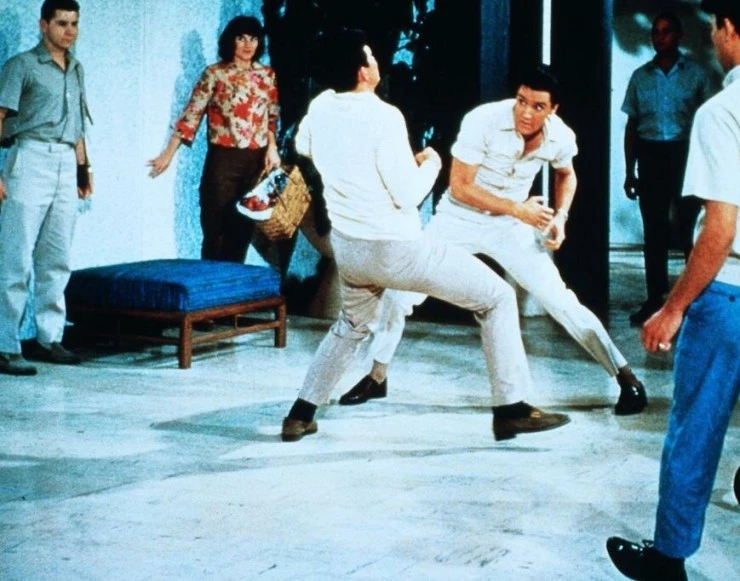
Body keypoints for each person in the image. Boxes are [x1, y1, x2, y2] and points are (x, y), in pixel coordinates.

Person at [281, 29, 570, 443]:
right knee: (497, 298)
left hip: (350, 250)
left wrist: (351, 164)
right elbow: (408, 194)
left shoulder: (322, 105)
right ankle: (511, 409)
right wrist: (431, 163)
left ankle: (300, 413)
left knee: (352, 324)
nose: (376, 62)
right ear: (363, 71)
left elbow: (305, 144)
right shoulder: (384, 116)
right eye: (371, 57)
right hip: (396, 251)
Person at [338, 66, 648, 416]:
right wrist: (518, 209)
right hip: (459, 219)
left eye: (538, 106)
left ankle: (626, 378)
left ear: (553, 109)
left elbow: (566, 174)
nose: (526, 112)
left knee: (560, 300)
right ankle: (376, 375)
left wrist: (560, 217)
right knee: (399, 293)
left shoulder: (560, 136)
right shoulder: (482, 121)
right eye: (521, 101)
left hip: (511, 226)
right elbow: (461, 187)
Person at [607, 2, 740, 578]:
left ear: (730, 29)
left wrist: (673, 307)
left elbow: (721, 228)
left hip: (728, 294)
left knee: (695, 431)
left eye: (716, 27)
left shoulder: (722, 111)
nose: (713, 38)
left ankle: (669, 559)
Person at [0, 0, 93, 376]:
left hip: (65, 160)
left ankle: (48, 338)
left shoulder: (76, 68)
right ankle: (5, 345)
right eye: (61, 23)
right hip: (30, 156)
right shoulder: (22, 65)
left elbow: (78, 124)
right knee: (16, 257)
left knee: (57, 256)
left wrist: (84, 168)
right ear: (43, 25)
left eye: (74, 24)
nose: (69, 31)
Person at [148, 15, 280, 264]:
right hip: (223, 161)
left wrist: (272, 148)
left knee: (242, 230)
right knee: (216, 229)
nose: (248, 44)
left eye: (253, 39)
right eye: (241, 38)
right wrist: (168, 154)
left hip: (255, 162)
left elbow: (271, 117)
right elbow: (191, 115)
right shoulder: (215, 74)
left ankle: (233, 287)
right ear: (231, 41)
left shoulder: (267, 76)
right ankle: (210, 285)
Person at [622, 11, 715, 326]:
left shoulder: (696, 75)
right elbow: (632, 126)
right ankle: (655, 299)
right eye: (656, 32)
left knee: (689, 231)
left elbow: (707, 126)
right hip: (650, 157)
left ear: (679, 36)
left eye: (666, 32)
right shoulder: (640, 77)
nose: (660, 38)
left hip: (684, 155)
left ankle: (693, 302)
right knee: (654, 232)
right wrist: (629, 171)